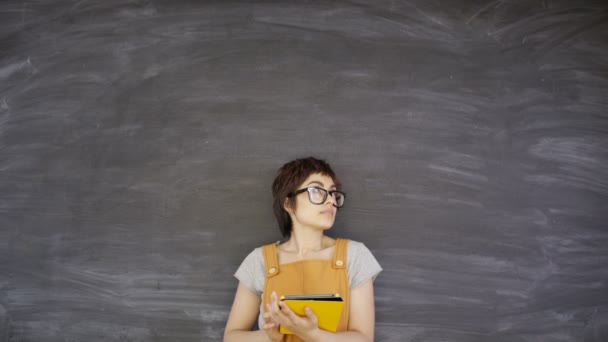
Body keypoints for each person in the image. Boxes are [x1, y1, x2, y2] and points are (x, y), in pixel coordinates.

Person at [224, 157, 382, 342]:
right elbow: (231, 337)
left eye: (332, 193)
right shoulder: (259, 261)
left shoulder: (354, 256)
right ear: (288, 203)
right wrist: (269, 337)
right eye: (317, 190)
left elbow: (363, 339)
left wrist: (313, 334)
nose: (330, 200)